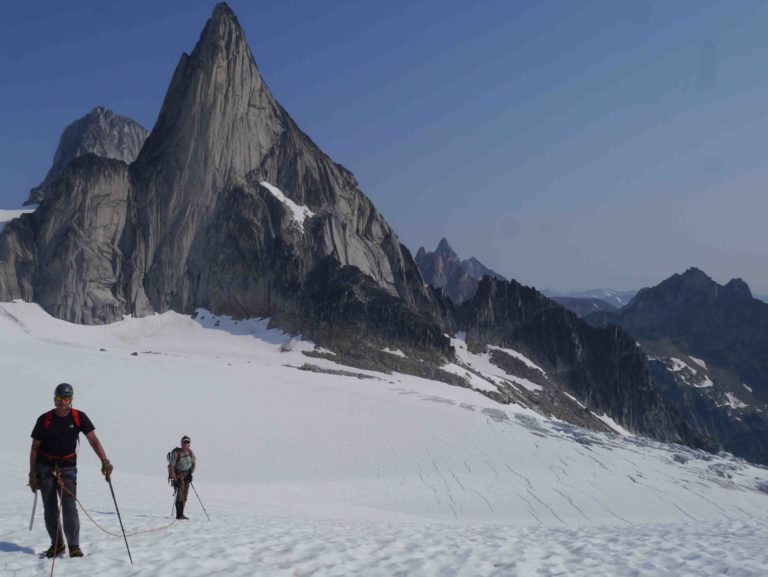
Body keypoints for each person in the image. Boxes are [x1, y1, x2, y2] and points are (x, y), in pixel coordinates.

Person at [28, 383, 112, 558]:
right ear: (54, 399)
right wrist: (32, 473)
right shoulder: (44, 419)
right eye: (59, 398)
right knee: (50, 508)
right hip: (45, 467)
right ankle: (57, 544)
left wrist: (105, 461)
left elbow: (93, 440)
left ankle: (74, 546)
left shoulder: (78, 417)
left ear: (71, 400)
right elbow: (35, 447)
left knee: (69, 507)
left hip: (67, 467)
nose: (62, 402)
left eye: (66, 398)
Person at [169, 435, 196, 520]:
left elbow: (194, 463)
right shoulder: (176, 453)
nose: (186, 443)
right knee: (180, 495)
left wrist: (191, 472)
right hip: (178, 475)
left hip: (186, 475)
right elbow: (171, 467)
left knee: (185, 494)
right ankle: (179, 515)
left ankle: (181, 514)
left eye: (187, 442)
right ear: (181, 443)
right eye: (184, 442)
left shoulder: (190, 453)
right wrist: (175, 479)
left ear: (189, 444)